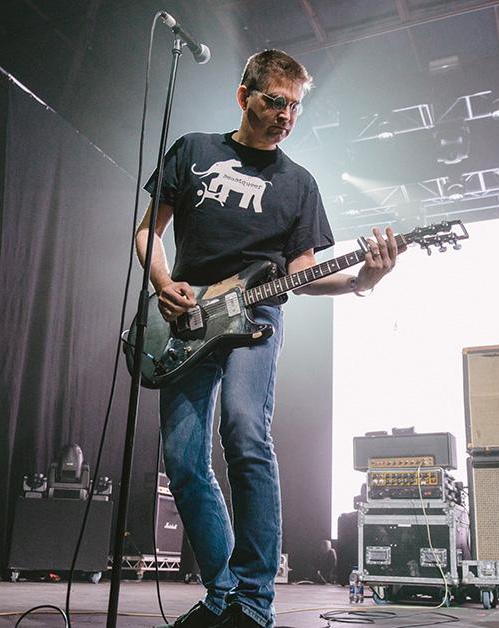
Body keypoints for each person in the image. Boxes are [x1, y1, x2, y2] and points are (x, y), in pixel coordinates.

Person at [135, 49, 403, 628]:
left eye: (295, 106)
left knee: (244, 430)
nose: (285, 115)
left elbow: (304, 271)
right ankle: (221, 591)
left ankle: (254, 600)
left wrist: (364, 277)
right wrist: (162, 282)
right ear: (244, 96)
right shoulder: (194, 151)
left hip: (257, 317)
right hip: (185, 317)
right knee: (183, 460)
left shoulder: (298, 183)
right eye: (275, 101)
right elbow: (147, 230)